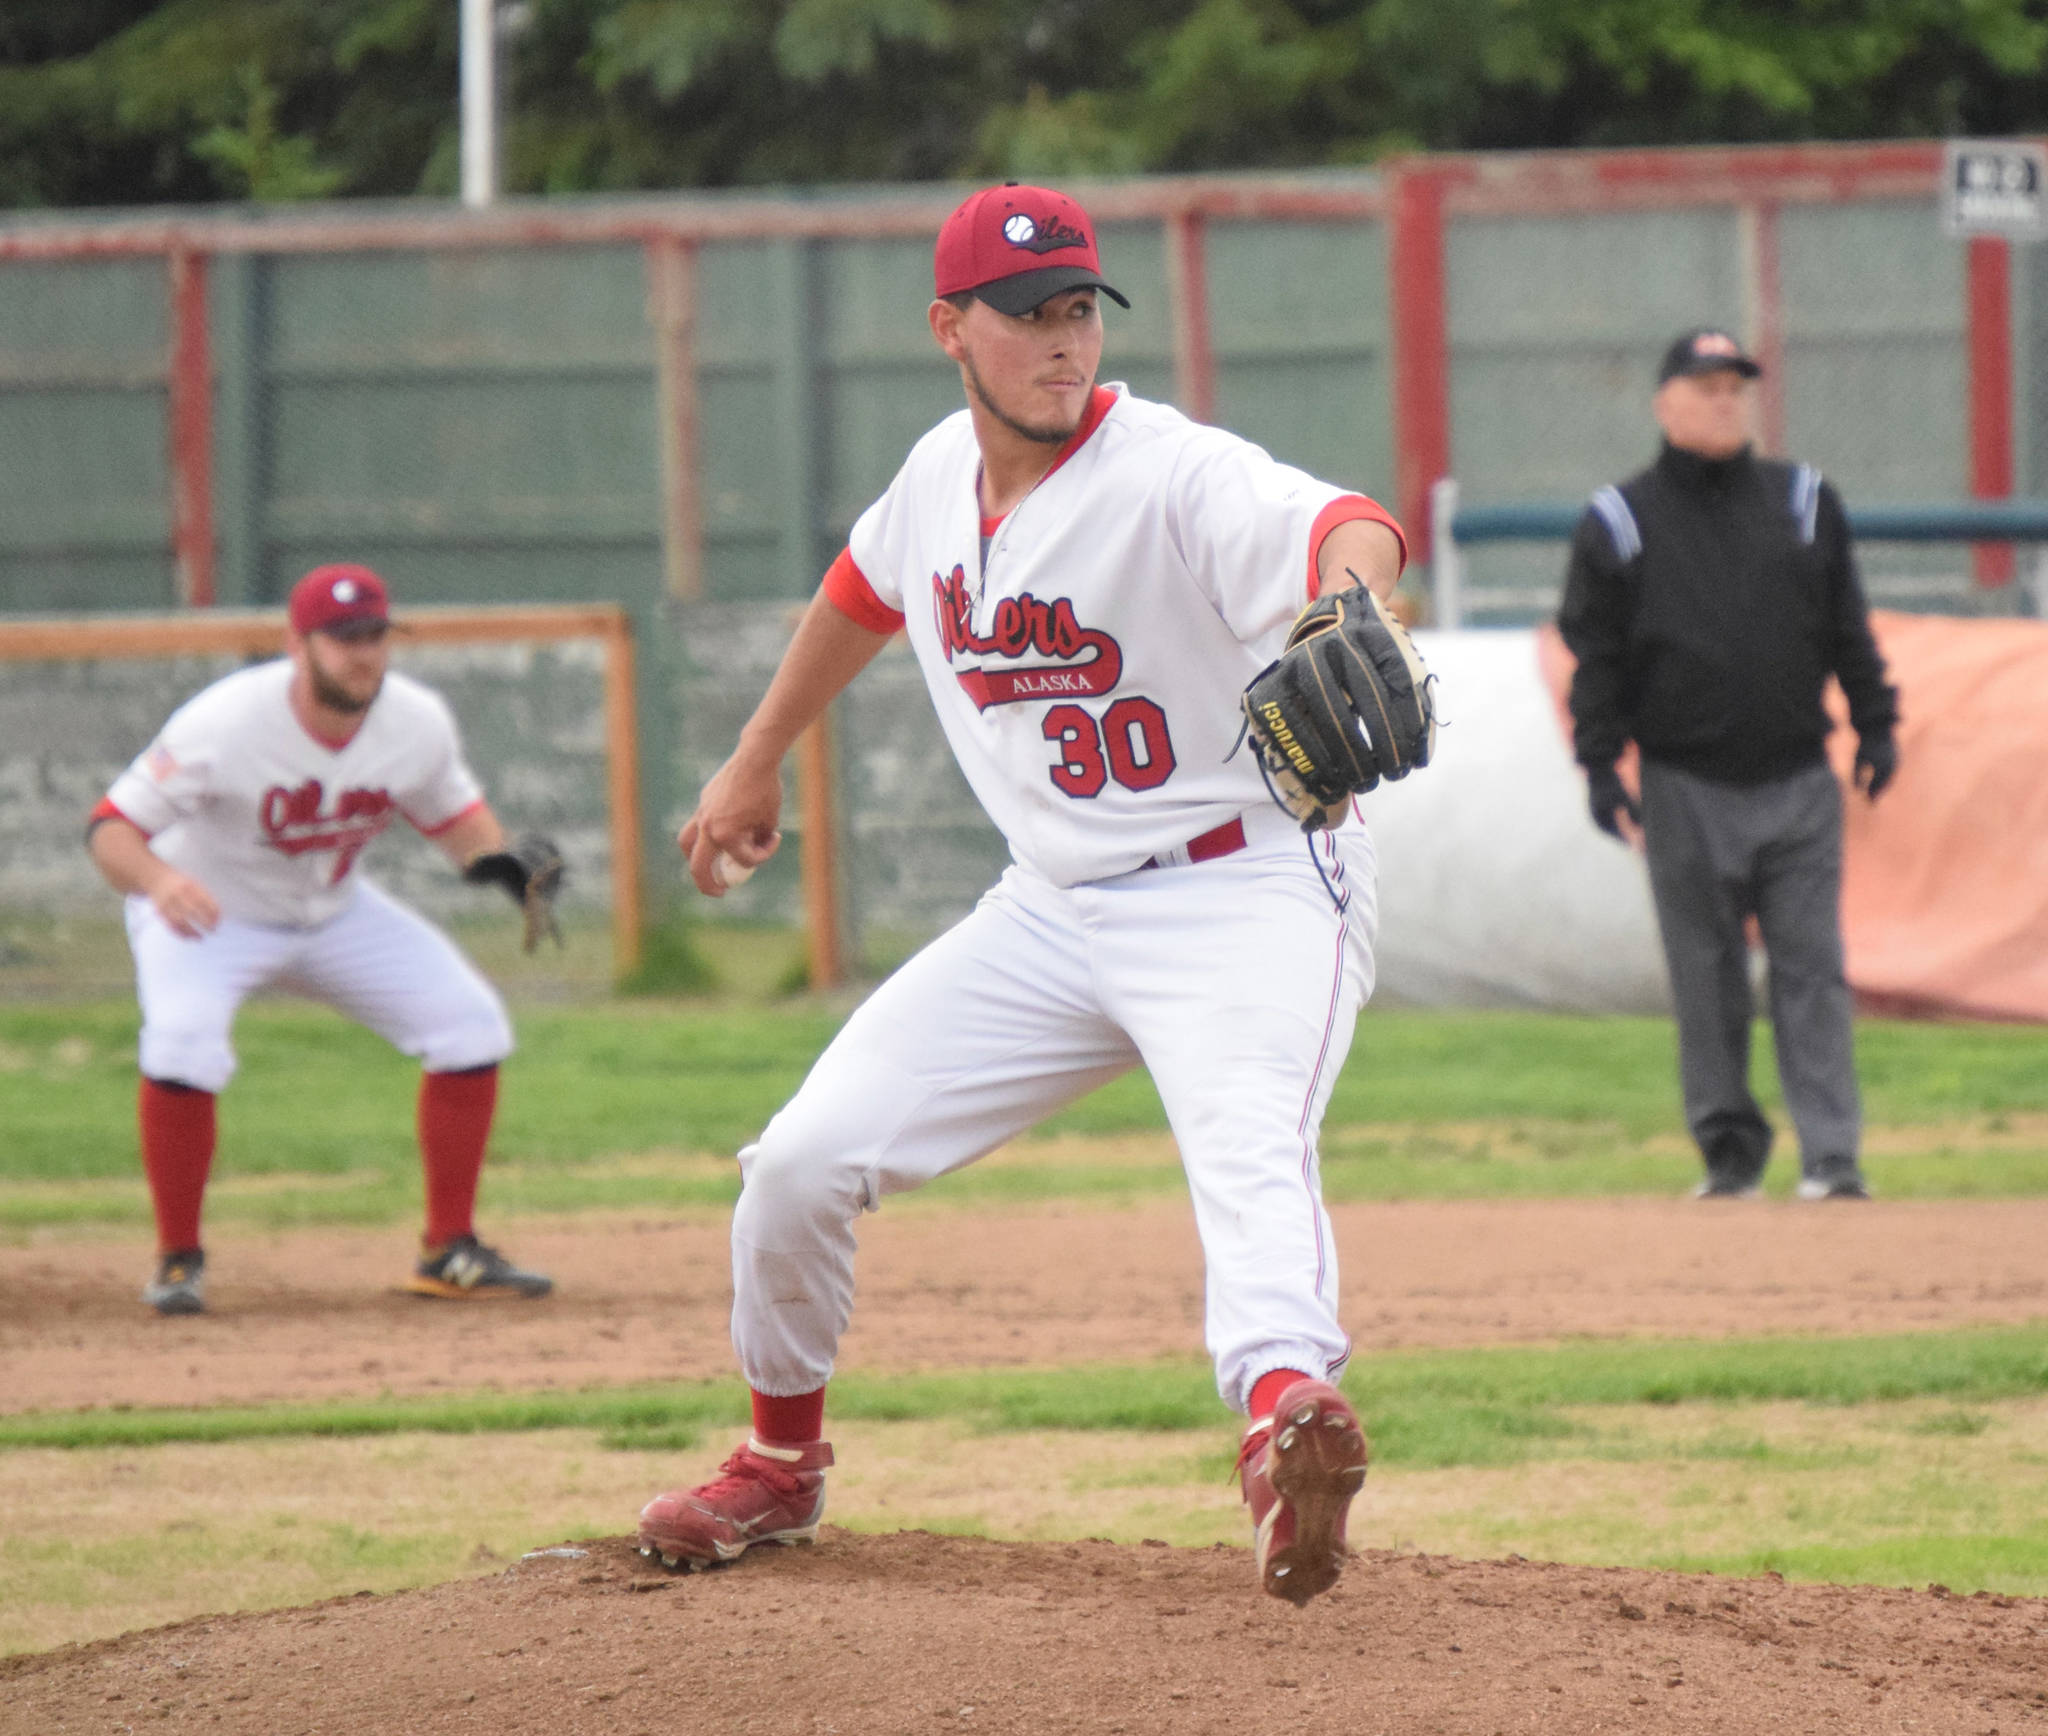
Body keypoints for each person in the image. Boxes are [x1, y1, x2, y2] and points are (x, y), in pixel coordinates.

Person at [637, 182, 1407, 1606]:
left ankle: (1285, 1415)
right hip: (1050, 909)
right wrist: (755, 760)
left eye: (1077, 312)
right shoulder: (938, 477)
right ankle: (779, 1461)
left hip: (1245, 891)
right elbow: (862, 590)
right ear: (951, 328)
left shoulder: (1171, 469)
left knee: (1247, 1144)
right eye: (1027, 315)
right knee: (799, 1165)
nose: (1063, 342)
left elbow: (1347, 521)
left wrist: (1343, 605)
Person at [87, 564, 557, 1313]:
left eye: (373, 635)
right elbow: (111, 828)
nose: (361, 653)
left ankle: (449, 1250)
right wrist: (157, 882)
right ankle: (178, 1260)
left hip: (332, 911)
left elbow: (453, 818)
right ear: (295, 643)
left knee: (470, 1026)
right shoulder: (225, 722)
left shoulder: (415, 720)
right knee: (182, 1043)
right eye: (341, 638)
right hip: (206, 912)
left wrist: (502, 865)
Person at [1557, 328, 1899, 1202]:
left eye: (1735, 387)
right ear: (1664, 402)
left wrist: (1875, 724)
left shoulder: (1804, 500)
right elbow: (1595, 657)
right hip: (1683, 782)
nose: (1723, 402)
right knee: (1705, 978)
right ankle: (1729, 1153)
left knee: (1811, 966)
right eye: (1705, 386)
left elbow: (1847, 626)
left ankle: (1831, 1154)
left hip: (1796, 777)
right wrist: (1601, 768)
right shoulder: (1620, 519)